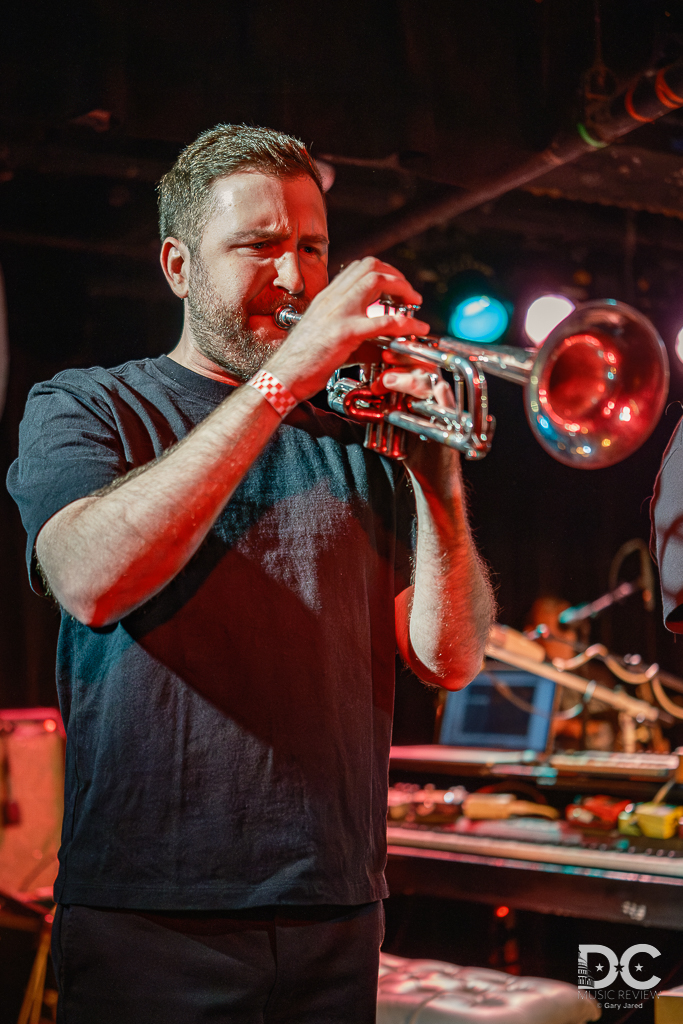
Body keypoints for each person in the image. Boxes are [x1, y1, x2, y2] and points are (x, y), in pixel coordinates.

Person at [8, 124, 494, 1023]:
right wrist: (281, 385)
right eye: (259, 245)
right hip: (152, 914)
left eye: (311, 247)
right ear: (179, 265)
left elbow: (448, 658)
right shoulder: (87, 403)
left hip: (338, 908)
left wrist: (438, 481)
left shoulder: (359, 439)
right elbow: (88, 577)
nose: (295, 276)